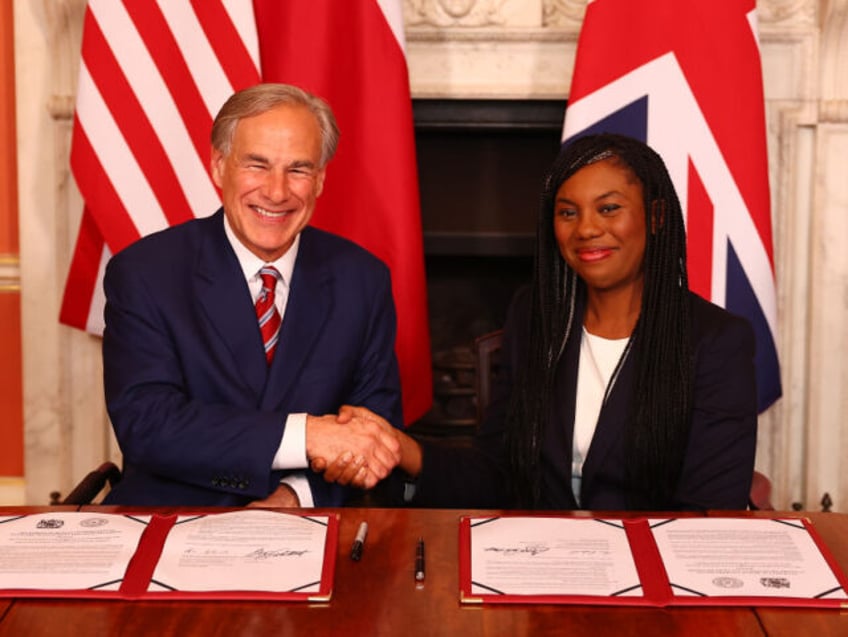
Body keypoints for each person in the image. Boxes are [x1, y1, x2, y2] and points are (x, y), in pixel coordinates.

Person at [319, 133, 758, 511]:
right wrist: (400, 448)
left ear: (657, 217)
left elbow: (708, 511)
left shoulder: (717, 342)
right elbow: (497, 475)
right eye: (568, 212)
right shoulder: (535, 317)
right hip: (538, 570)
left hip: (654, 586)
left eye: (608, 209)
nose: (585, 229)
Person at [101, 83, 402, 508]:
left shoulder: (362, 278)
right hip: (177, 517)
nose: (277, 192)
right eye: (257, 165)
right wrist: (307, 434)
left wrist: (296, 496)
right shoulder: (146, 273)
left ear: (319, 180)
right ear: (219, 166)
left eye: (298, 169)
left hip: (311, 523)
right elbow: (148, 424)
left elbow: (376, 434)